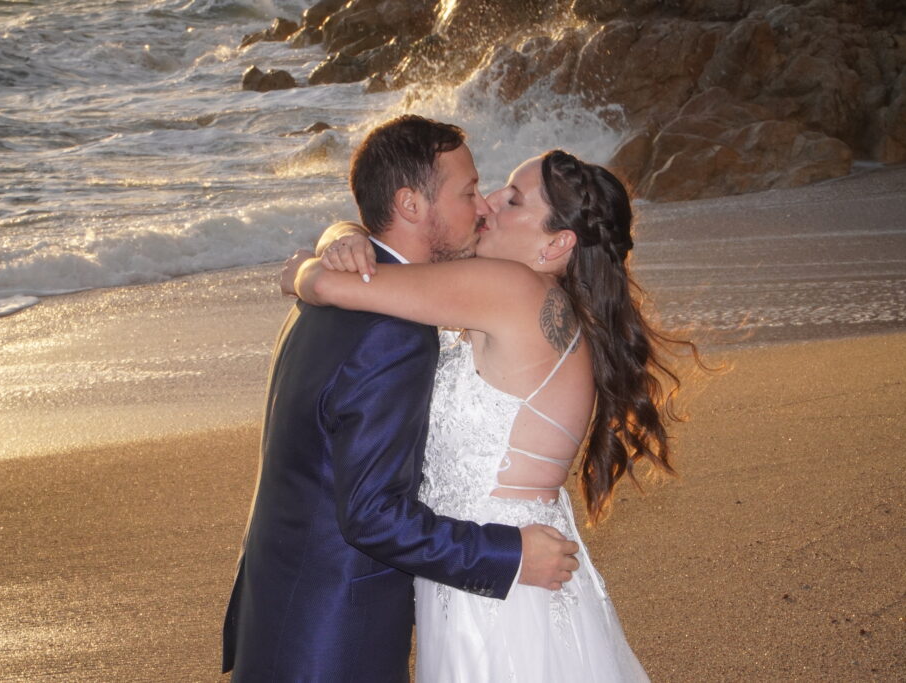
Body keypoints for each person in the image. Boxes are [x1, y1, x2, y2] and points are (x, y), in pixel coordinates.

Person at [284, 149, 693, 680]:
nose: (489, 202)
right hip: (496, 565)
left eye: (514, 200)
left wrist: (303, 267)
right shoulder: (535, 299)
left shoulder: (511, 289)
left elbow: (329, 285)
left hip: (500, 578)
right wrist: (341, 235)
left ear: (556, 244)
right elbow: (388, 256)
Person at [221, 116, 580, 682]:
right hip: (332, 642)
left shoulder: (331, 297)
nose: (482, 207)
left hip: (280, 612)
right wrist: (509, 556)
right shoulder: (393, 332)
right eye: (467, 193)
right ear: (411, 204)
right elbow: (372, 516)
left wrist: (335, 238)